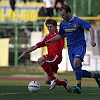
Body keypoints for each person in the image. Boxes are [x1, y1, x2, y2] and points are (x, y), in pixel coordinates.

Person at [46, 5, 100, 94]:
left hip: (79, 46)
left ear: (68, 13)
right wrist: (51, 40)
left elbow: (90, 28)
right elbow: (60, 35)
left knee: (76, 63)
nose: (61, 16)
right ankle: (96, 76)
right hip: (70, 48)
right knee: (77, 71)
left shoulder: (77, 21)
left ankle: (78, 87)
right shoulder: (63, 23)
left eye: (63, 14)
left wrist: (92, 40)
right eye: (61, 14)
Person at [18, 19, 72, 93]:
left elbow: (70, 33)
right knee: (47, 81)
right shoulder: (46, 37)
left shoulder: (60, 33)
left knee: (40, 60)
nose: (49, 28)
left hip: (56, 57)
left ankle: (53, 78)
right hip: (50, 59)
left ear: (55, 27)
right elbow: (34, 47)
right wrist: (25, 52)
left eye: (51, 27)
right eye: (48, 27)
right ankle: (64, 83)